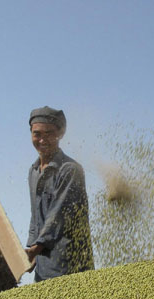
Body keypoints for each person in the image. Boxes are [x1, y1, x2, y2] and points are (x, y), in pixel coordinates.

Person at [25, 106, 94, 281]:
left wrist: (38, 247)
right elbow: (36, 217)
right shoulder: (33, 171)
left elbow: (59, 215)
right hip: (43, 267)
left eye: (49, 133)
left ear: (60, 134)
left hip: (70, 265)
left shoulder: (70, 170)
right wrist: (30, 250)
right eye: (37, 134)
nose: (42, 139)